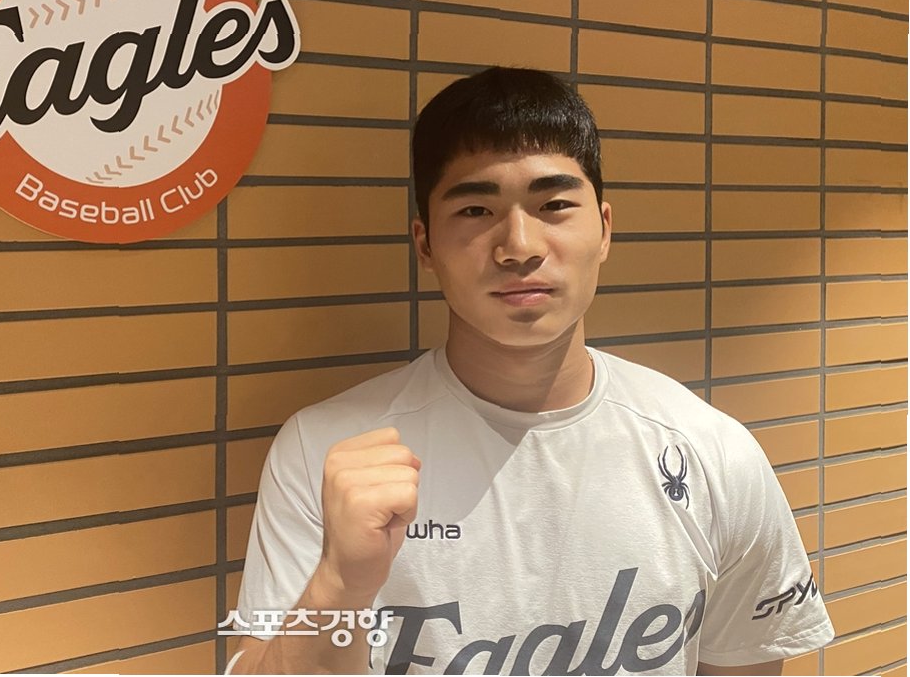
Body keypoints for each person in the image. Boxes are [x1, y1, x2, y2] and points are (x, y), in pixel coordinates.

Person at [225, 67, 834, 675]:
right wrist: (339, 585)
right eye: (475, 208)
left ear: (604, 230)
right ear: (425, 244)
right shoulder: (321, 452)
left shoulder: (712, 452)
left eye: (555, 205)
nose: (519, 246)